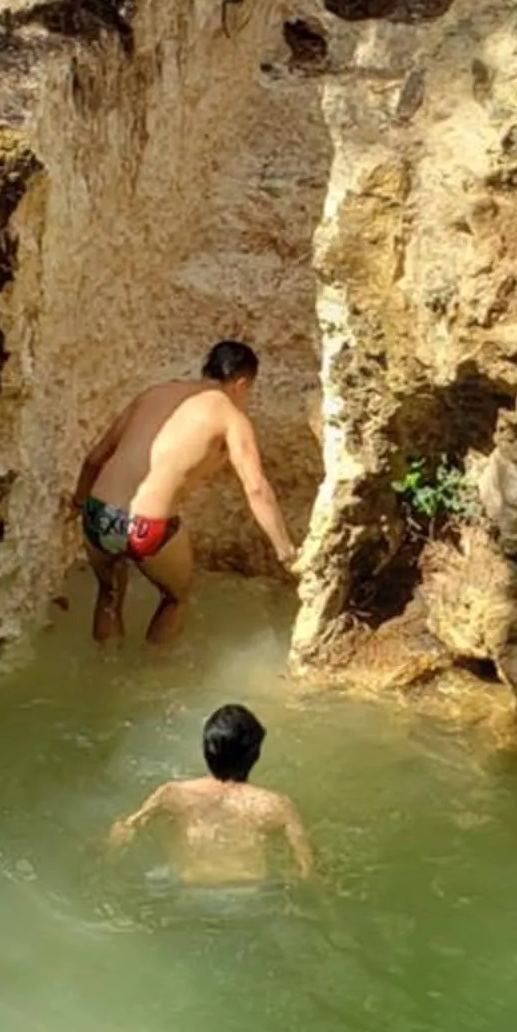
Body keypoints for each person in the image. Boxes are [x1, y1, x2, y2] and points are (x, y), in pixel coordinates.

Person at [73, 339, 299, 648]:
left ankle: (105, 669)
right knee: (175, 598)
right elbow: (256, 488)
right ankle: (153, 682)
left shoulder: (155, 393)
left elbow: (95, 459)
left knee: (109, 592)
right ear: (242, 383)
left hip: (98, 514)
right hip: (146, 530)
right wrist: (285, 551)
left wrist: (78, 503)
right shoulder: (231, 417)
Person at [104, 703, 316, 885]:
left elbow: (126, 831)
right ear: (256, 754)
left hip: (192, 894)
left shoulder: (173, 794)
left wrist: (105, 853)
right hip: (251, 896)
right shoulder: (276, 804)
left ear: (205, 750)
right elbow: (306, 869)